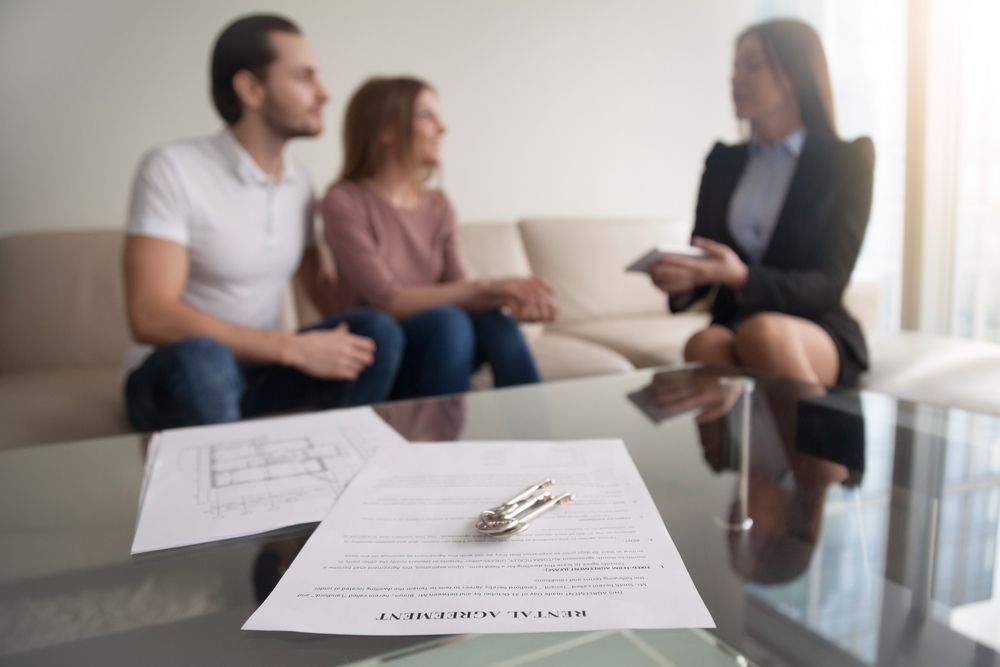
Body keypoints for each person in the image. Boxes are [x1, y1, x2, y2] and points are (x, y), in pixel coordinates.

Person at [122, 15, 404, 431]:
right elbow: (150, 315)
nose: (324, 94)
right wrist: (291, 347)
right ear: (252, 89)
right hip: (176, 374)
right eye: (304, 78)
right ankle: (234, 492)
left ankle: (341, 457)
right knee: (206, 357)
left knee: (376, 333)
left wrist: (392, 280)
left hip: (257, 373)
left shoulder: (300, 182)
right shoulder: (172, 169)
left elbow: (324, 295)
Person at [650, 19, 875, 388]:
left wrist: (741, 276)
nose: (735, 79)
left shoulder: (847, 160)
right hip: (737, 319)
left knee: (764, 334)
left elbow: (829, 283)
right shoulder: (723, 161)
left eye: (752, 66)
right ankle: (737, 450)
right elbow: (704, 254)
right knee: (705, 343)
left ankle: (820, 448)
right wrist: (683, 279)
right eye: (734, 67)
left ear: (794, 73)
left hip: (816, 325)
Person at [320, 76, 556, 399]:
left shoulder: (439, 205)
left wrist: (510, 296)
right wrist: (492, 286)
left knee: (494, 321)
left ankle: (542, 443)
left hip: (444, 347)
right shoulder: (343, 201)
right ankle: (441, 445)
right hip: (381, 352)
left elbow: (459, 286)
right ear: (386, 130)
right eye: (426, 115)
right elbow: (387, 300)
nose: (442, 129)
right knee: (449, 320)